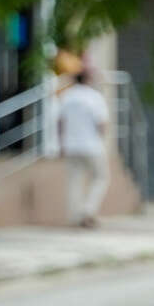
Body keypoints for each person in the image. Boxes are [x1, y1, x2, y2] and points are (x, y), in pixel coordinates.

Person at [57, 61, 112, 228]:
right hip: (91, 145)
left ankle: (75, 217)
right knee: (101, 177)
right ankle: (88, 211)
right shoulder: (94, 97)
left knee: (74, 180)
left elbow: (60, 122)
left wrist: (61, 143)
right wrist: (102, 139)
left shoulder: (67, 96)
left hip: (71, 145)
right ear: (88, 79)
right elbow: (102, 124)